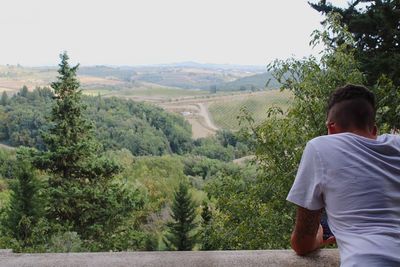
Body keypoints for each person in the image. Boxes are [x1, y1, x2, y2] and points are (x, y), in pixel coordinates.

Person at [286, 84, 400, 266]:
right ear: (374, 130)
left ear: (331, 127)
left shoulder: (319, 147)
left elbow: (301, 243)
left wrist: (320, 237)